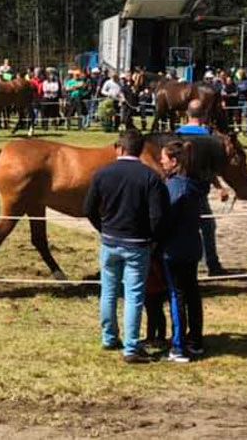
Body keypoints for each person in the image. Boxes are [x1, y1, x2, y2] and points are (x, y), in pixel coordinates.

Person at [83, 130, 168, 363]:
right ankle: (131, 347)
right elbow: (157, 216)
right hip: (138, 244)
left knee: (108, 292)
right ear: (140, 150)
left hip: (110, 241)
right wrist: (151, 239)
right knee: (134, 295)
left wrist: (104, 228)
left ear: (118, 148)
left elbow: (89, 209)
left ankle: (109, 337)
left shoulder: (101, 174)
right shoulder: (150, 177)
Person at [159, 140, 207, 362]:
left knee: (177, 295)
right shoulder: (195, 185)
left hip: (174, 249)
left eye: (164, 158)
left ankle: (178, 346)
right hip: (192, 245)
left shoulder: (175, 188)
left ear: (175, 161)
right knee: (192, 293)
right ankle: (195, 340)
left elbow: (166, 219)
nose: (161, 161)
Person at [176, 100, 226, 276]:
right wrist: (219, 187)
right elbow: (210, 168)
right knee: (207, 226)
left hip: (178, 188)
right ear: (204, 115)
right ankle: (212, 264)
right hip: (198, 190)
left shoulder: (177, 135)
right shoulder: (208, 137)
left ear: (187, 114)